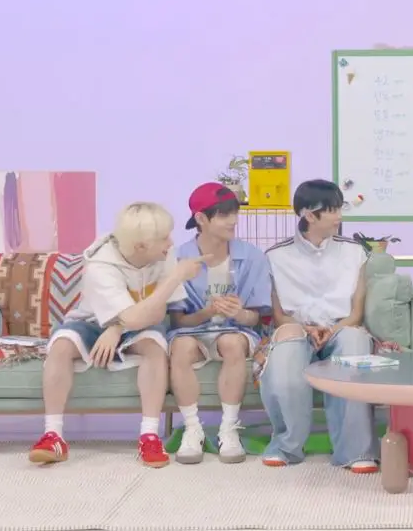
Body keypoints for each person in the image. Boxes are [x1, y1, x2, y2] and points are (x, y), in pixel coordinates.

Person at [29, 202, 205, 468]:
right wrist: (175, 277)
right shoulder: (100, 264)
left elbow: (157, 313)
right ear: (140, 246)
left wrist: (117, 329)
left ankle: (149, 436)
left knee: (154, 348)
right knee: (61, 346)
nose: (171, 242)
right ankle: (53, 436)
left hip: (142, 321)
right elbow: (132, 316)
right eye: (164, 238)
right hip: (93, 321)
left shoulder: (164, 254)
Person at [259, 179, 378, 473]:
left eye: (339, 209)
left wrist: (332, 331)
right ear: (309, 215)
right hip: (297, 327)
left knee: (354, 341)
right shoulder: (275, 256)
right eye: (333, 210)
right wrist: (306, 329)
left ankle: (356, 451)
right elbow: (279, 315)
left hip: (341, 327)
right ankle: (286, 446)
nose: (339, 217)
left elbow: (356, 313)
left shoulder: (355, 252)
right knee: (287, 345)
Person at [166, 183, 272, 464]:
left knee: (232, 342)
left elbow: (256, 318)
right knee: (182, 347)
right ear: (201, 218)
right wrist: (207, 312)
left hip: (238, 330)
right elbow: (178, 321)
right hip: (191, 330)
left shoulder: (252, 257)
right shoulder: (178, 259)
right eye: (224, 215)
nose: (233, 221)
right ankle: (193, 429)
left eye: (235, 213)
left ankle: (229, 428)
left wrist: (239, 313)